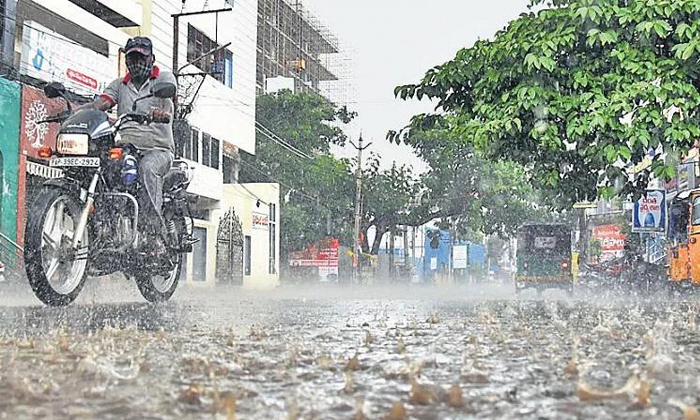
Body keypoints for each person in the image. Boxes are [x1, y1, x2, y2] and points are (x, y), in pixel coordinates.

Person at [78, 36, 176, 255]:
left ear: (151, 58)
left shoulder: (162, 79)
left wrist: (162, 113)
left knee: (147, 168)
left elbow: (169, 104)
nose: (135, 62)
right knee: (104, 169)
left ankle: (152, 234)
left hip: (158, 150)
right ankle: (107, 228)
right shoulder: (119, 85)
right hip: (127, 149)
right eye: (131, 57)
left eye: (140, 57)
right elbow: (101, 103)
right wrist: (76, 111)